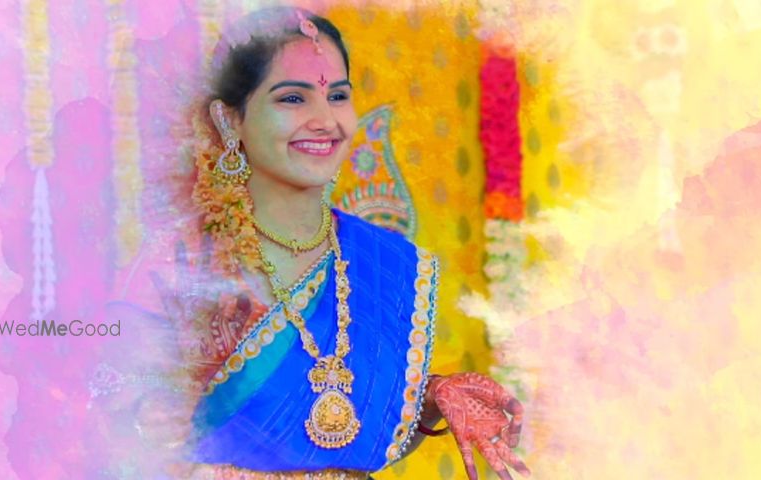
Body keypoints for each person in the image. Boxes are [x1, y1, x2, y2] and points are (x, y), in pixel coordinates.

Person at [157, 7, 531, 479]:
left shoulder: (389, 263)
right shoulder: (185, 260)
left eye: (337, 96)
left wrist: (433, 396)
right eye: (293, 98)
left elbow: (349, 437)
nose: (325, 120)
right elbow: (122, 429)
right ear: (229, 120)